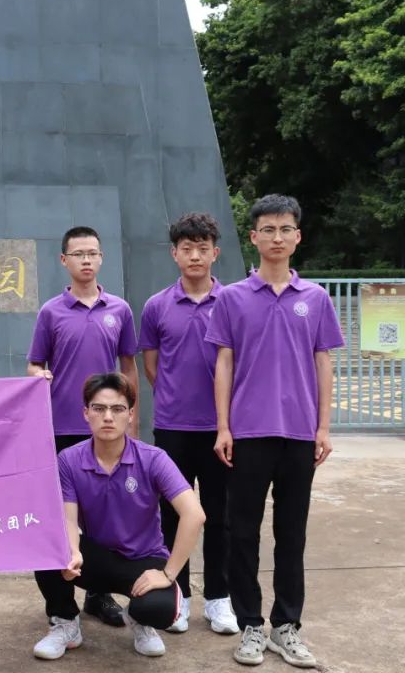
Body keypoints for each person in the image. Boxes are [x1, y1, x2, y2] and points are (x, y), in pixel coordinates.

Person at [205, 194, 344, 668]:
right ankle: (250, 624)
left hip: (300, 435)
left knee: (292, 534)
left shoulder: (315, 298)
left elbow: (323, 362)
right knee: (242, 532)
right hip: (248, 433)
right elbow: (224, 363)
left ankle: (286, 625)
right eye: (268, 229)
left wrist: (323, 426)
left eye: (285, 229)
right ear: (254, 237)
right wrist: (223, 427)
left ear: (297, 237)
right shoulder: (232, 298)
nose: (277, 237)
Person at [33, 373, 205, 660]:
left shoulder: (153, 459)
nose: (108, 417)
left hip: (143, 560)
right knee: (47, 543)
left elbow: (194, 515)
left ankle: (140, 621)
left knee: (160, 610)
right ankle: (65, 622)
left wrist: (167, 573)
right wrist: (73, 552)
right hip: (95, 559)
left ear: (131, 414)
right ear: (86, 413)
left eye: (117, 409)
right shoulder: (69, 460)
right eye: (99, 408)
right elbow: (68, 519)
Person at [27, 225, 139, 627]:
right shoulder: (51, 312)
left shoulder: (119, 310)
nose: (86, 260)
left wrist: (131, 423)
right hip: (60, 428)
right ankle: (61, 605)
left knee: (101, 516)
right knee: (60, 514)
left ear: (101, 258)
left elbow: (128, 368)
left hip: (106, 428)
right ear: (64, 260)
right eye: (78, 254)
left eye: (92, 253)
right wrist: (38, 376)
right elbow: (34, 364)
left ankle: (98, 594)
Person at [139, 212, 238, 635]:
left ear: (215, 253)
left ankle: (219, 600)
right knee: (171, 516)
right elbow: (152, 366)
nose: (195, 256)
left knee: (220, 516)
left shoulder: (233, 302)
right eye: (187, 249)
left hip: (221, 429)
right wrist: (176, 398)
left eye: (202, 248)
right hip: (173, 429)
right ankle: (177, 598)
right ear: (174, 254)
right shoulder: (157, 306)